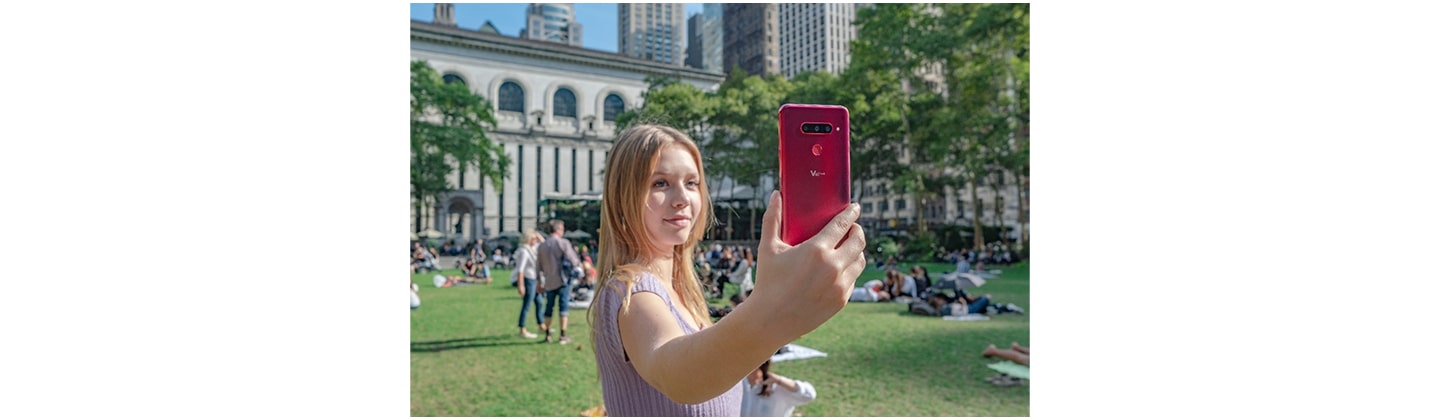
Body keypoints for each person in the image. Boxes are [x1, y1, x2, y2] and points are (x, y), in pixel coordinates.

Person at [587, 125, 867, 416]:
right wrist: (774, 308)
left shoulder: (680, 290)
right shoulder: (633, 289)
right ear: (623, 197)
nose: (682, 197)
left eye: (692, 183)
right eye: (660, 183)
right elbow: (682, 377)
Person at [536, 219, 582, 344]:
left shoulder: (542, 246)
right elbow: (573, 259)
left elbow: (538, 266)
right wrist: (580, 267)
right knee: (563, 307)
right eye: (562, 229)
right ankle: (562, 335)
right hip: (563, 280)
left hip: (549, 281)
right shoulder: (563, 243)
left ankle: (547, 334)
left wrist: (539, 282)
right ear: (558, 230)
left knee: (548, 307)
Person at [512, 229, 546, 338]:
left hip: (534, 279)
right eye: (533, 238)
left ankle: (541, 324)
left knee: (539, 302)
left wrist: (537, 234)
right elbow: (520, 270)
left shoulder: (532, 249)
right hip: (528, 279)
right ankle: (522, 328)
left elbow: (544, 244)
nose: (535, 240)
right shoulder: (524, 251)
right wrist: (521, 285)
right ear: (528, 239)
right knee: (527, 304)